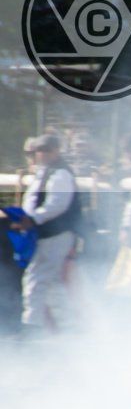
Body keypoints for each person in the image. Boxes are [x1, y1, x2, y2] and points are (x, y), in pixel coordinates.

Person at [14, 133, 80, 336]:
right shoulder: (46, 173)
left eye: (44, 150)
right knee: (50, 282)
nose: (39, 154)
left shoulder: (60, 174)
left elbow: (56, 204)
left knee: (36, 279)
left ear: (55, 151)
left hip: (55, 234)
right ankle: (68, 326)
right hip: (47, 234)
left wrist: (33, 219)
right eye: (37, 151)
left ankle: (31, 327)